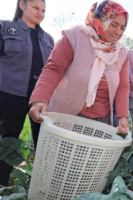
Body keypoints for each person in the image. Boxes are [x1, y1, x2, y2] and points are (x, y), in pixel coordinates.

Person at [28, 1, 130, 133]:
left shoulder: (121, 52)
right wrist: (39, 99)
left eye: (122, 28)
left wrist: (122, 117)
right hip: (66, 115)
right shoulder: (75, 37)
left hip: (100, 122)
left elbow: (123, 85)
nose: (118, 32)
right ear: (101, 20)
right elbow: (54, 69)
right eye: (114, 24)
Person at [0, 0, 53, 185]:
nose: (40, 13)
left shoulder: (48, 39)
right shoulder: (5, 28)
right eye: (36, 8)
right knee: (7, 141)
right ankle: (2, 184)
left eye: (43, 10)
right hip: (10, 95)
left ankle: (40, 185)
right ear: (22, 5)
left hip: (39, 99)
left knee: (44, 141)